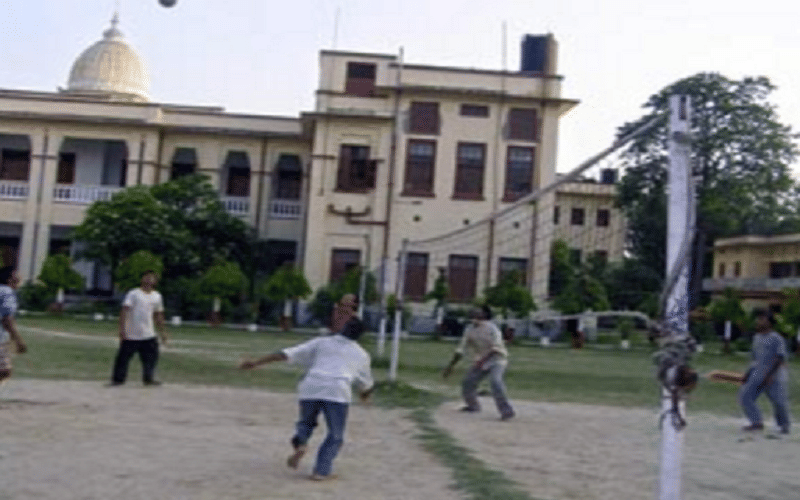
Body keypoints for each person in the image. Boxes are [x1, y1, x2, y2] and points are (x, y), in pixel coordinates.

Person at [239, 298, 373, 481]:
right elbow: (365, 385)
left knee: (306, 424)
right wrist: (364, 396)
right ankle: (321, 470)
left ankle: (301, 444)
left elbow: (285, 354)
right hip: (337, 390)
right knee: (335, 435)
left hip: (312, 386)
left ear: (343, 328)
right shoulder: (361, 354)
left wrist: (256, 362)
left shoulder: (322, 342)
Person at [442, 304, 515, 420]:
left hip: (497, 360)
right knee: (468, 382)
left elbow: (496, 348)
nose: (473, 314)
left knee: (496, 382)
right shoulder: (469, 329)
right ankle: (473, 406)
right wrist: (450, 367)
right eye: (472, 313)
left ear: (483, 315)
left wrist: (483, 360)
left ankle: (507, 411)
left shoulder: (492, 328)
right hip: (480, 360)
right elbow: (461, 349)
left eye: (477, 313)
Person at [109, 270, 168, 386]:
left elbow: (158, 315)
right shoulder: (134, 294)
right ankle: (118, 380)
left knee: (151, 358)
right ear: (142, 279)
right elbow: (124, 311)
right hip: (132, 334)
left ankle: (148, 378)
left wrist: (163, 332)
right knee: (123, 358)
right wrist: (122, 329)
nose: (149, 280)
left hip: (148, 334)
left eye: (152, 278)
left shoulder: (157, 296)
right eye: (146, 277)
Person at [739, 310, 791, 434]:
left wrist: (770, 375)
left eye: (763, 319)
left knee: (779, 402)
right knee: (745, 396)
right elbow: (755, 359)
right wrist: (747, 373)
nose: (759, 321)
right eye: (759, 319)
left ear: (770, 322)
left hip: (774, 376)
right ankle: (756, 422)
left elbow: (780, 358)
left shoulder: (776, 338)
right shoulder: (756, 338)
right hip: (757, 374)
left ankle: (784, 426)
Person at [0, 266, 26, 385]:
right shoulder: (7, 292)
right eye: (17, 275)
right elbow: (7, 319)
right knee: (4, 371)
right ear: (10, 279)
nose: (20, 278)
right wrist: (18, 340)